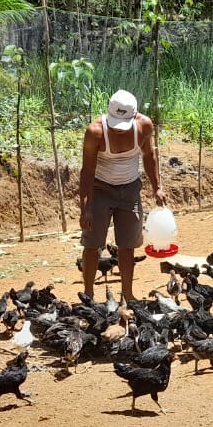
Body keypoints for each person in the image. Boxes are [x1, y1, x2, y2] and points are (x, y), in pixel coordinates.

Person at [79, 89, 167, 302]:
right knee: (92, 244)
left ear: (134, 116)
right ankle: (89, 295)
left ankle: (127, 294)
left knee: (127, 245)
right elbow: (87, 171)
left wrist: (157, 187)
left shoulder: (144, 126)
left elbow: (149, 157)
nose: (118, 131)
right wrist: (86, 208)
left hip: (129, 190)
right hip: (101, 190)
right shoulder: (95, 132)